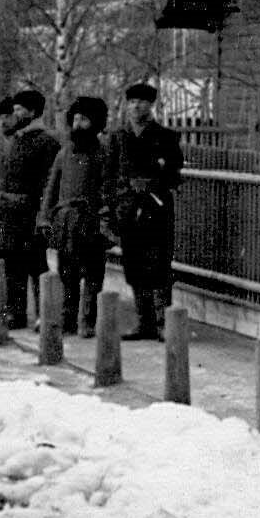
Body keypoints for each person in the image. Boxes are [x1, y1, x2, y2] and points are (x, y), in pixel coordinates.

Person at [106, 82, 184, 341]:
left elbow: (175, 175)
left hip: (156, 210)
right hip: (128, 210)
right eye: (131, 101)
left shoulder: (166, 136)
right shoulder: (118, 137)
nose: (135, 106)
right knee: (134, 265)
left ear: (151, 105)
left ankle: (164, 323)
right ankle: (144, 323)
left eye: (141, 101)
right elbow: (110, 175)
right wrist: (117, 203)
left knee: (160, 265)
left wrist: (152, 183)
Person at [0, 88, 58, 330]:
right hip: (7, 212)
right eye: (14, 110)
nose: (14, 115)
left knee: (36, 264)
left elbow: (49, 182)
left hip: (29, 212)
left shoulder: (46, 142)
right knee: (12, 264)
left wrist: (42, 213)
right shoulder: (14, 139)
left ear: (33, 112)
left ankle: (43, 314)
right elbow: (1, 177)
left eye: (19, 110)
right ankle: (15, 313)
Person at [39, 95, 112, 338]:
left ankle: (88, 321)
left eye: (85, 120)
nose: (79, 124)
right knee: (66, 272)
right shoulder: (64, 153)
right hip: (66, 220)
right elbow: (52, 187)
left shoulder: (103, 153)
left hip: (90, 221)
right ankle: (67, 318)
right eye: (76, 119)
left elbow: (108, 188)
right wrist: (45, 217)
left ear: (96, 123)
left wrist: (105, 219)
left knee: (93, 273)